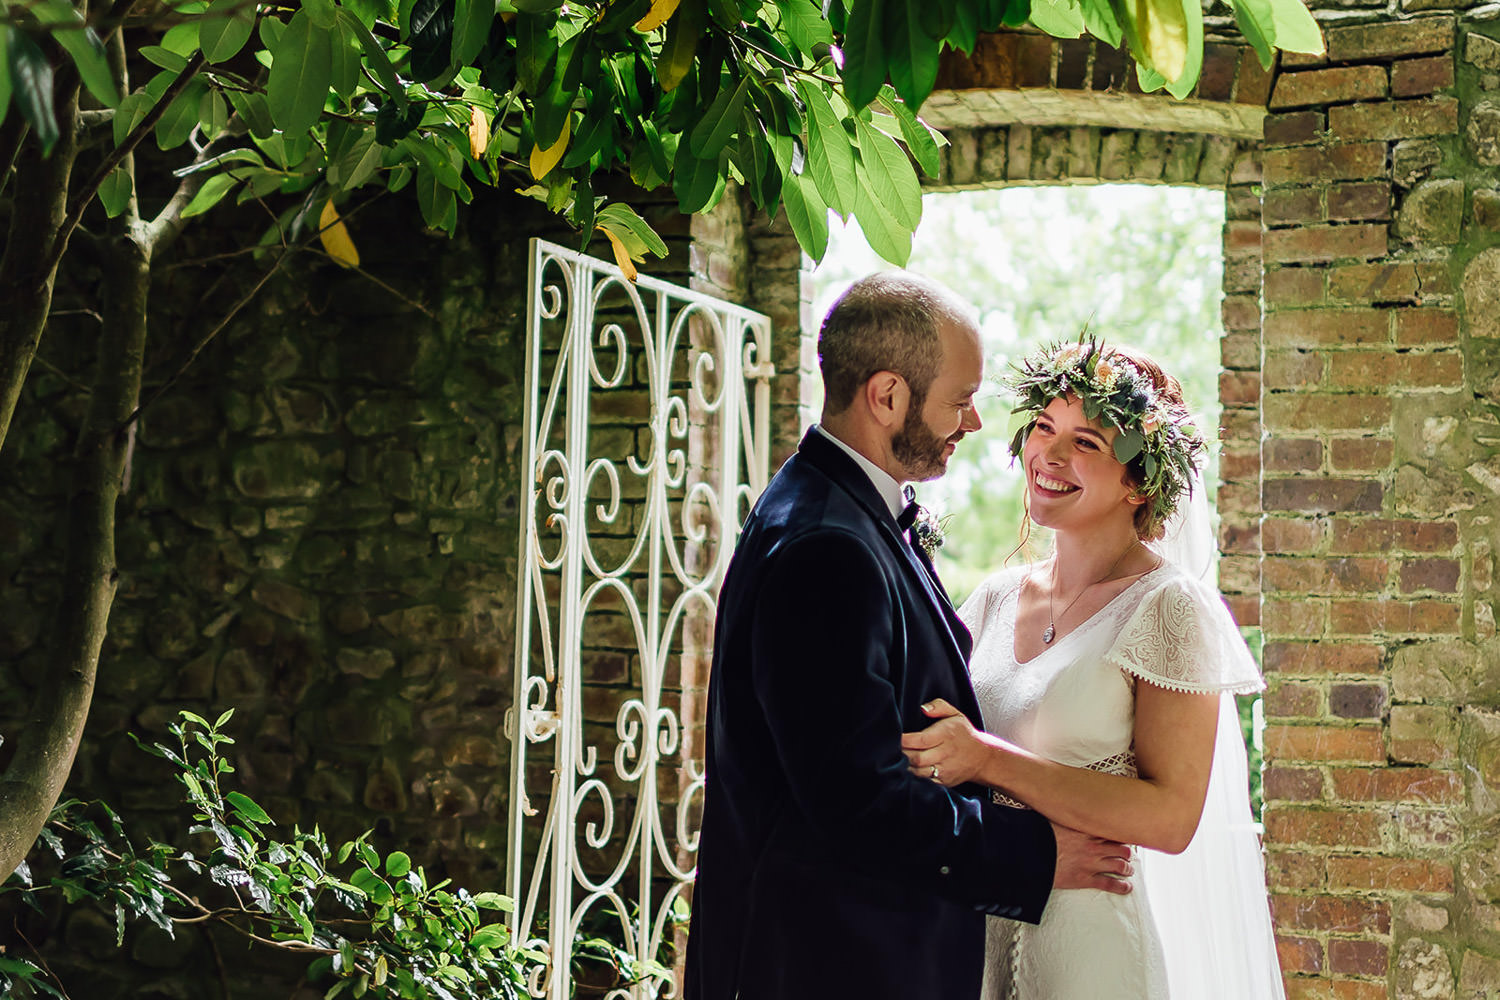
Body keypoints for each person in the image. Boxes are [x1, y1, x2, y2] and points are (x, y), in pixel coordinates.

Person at [684, 275, 1135, 1000]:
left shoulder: (833, 501)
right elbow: (857, 802)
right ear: (887, 396)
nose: (977, 423)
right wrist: (1036, 858)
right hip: (825, 963)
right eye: (960, 400)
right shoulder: (827, 545)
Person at [901, 338, 1285, 999]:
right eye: (1045, 428)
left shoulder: (1168, 607)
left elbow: (1171, 816)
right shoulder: (992, 599)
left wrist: (987, 759)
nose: (1048, 455)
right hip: (977, 936)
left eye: (1087, 443)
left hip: (1088, 955)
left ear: (1139, 481)